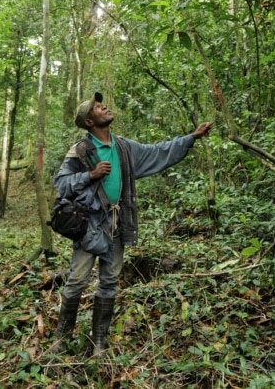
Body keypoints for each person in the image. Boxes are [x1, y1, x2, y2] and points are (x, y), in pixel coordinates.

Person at [50, 92, 212, 355]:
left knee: (110, 281)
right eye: (97, 107)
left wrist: (190, 138)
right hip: (89, 225)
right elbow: (61, 184)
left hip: (118, 223)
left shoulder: (124, 147)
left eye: (102, 104)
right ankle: (61, 337)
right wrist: (90, 175)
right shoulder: (80, 150)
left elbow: (158, 152)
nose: (104, 107)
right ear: (89, 122)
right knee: (77, 280)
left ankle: (99, 341)